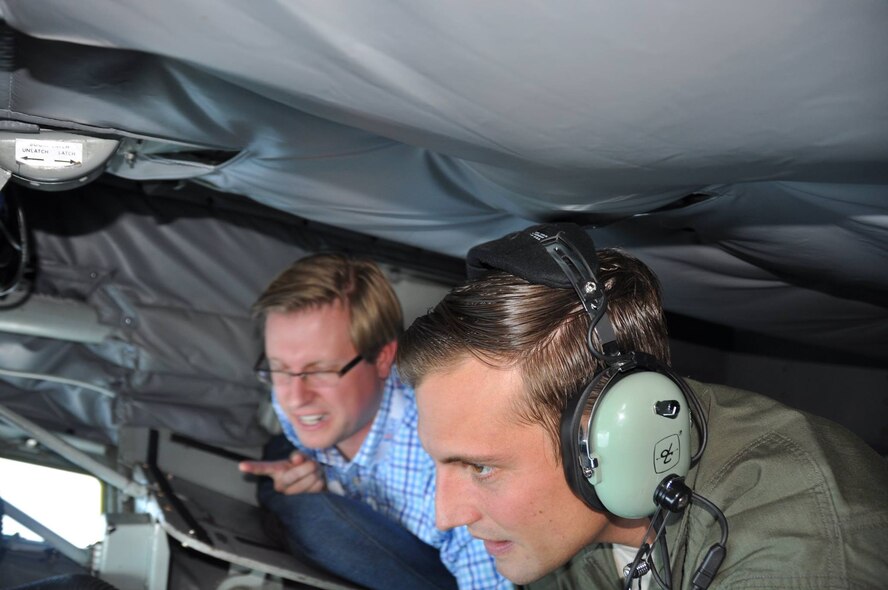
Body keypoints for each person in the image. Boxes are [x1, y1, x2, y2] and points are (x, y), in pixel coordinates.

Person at [397, 222, 888, 589]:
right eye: (440, 462)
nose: (446, 515)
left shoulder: (809, 550)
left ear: (615, 436)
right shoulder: (563, 531)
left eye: (481, 467)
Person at [238, 253, 508, 590]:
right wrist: (312, 476)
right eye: (279, 369)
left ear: (382, 359)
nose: (294, 398)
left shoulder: (451, 470)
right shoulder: (296, 399)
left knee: (314, 521)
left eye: (320, 370)